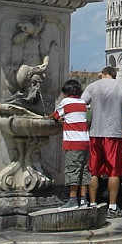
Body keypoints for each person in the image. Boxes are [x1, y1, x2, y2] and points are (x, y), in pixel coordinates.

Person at [82, 66, 122, 217]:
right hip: (113, 134)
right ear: (114, 75)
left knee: (93, 169)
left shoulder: (93, 86)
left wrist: (88, 122)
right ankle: (112, 207)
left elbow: (81, 105)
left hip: (95, 133)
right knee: (114, 171)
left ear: (104, 74)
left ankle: (92, 203)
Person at [52, 79, 91, 209]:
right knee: (84, 171)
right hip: (85, 141)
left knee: (72, 170)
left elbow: (56, 116)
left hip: (73, 143)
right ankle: (84, 199)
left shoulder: (66, 102)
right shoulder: (82, 103)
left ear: (66, 92)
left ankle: (73, 199)